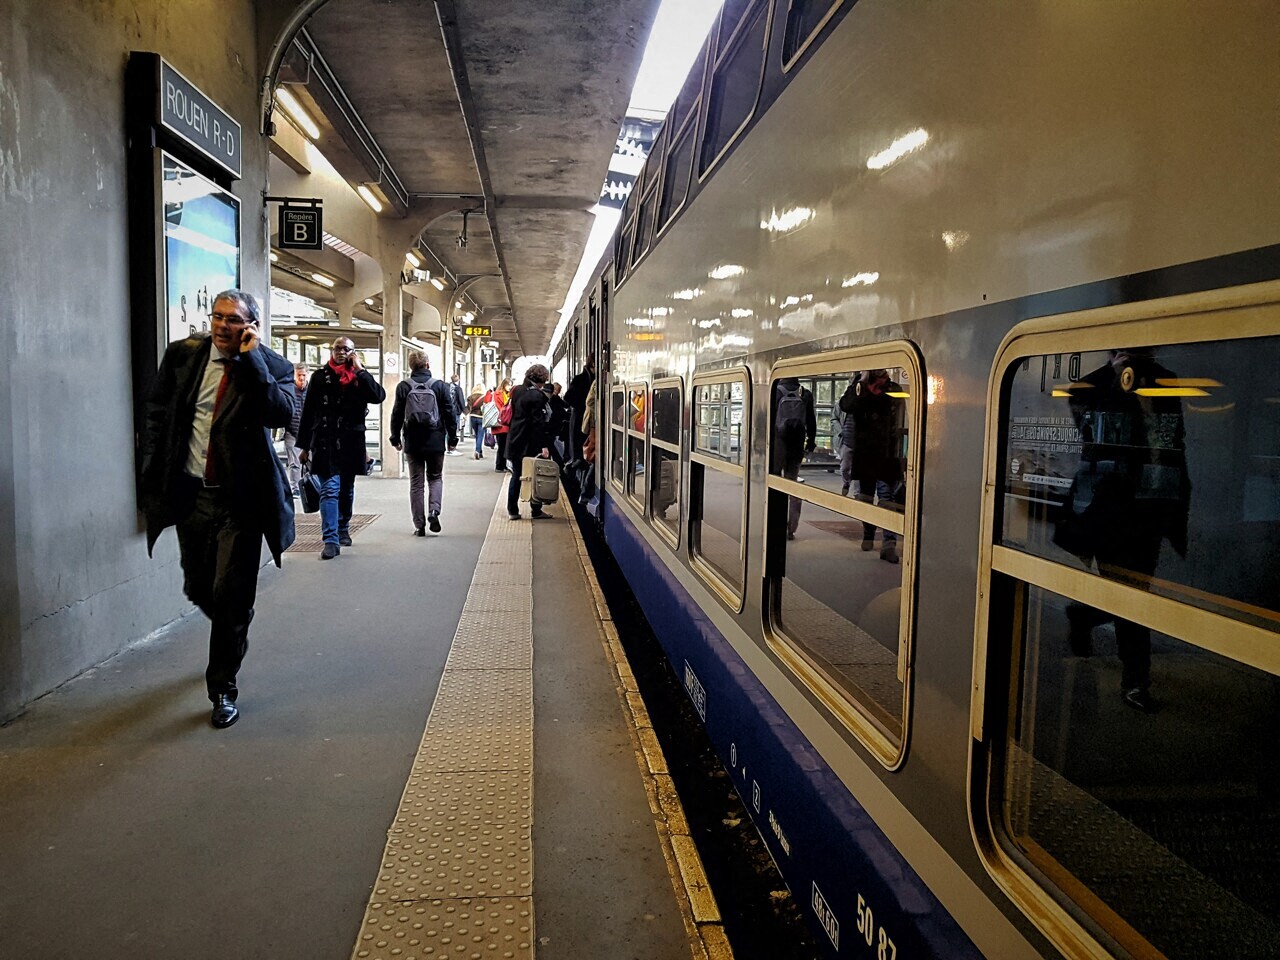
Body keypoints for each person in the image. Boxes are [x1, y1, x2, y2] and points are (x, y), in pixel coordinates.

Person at [139, 289, 295, 729]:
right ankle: (234, 631)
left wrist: (253, 361)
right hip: (192, 494)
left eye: (234, 319)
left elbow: (279, 414)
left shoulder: (272, 366)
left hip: (240, 500)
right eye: (218, 317)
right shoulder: (183, 357)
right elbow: (157, 410)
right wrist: (152, 466)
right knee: (200, 586)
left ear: (251, 326)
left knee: (231, 593)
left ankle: (223, 686)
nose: (223, 326)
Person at [1054, 348, 1191, 713]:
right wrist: (1121, 380)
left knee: (1133, 592)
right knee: (1132, 596)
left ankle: (1086, 616)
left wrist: (1178, 503)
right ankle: (1135, 681)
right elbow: (1095, 440)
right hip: (1109, 510)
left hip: (1151, 505)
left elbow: (1175, 442)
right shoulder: (1089, 386)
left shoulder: (1166, 379)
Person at [296, 336, 386, 559]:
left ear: (353, 353)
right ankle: (330, 539)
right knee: (329, 489)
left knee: (346, 488)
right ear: (331, 350)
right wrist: (304, 446)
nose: (341, 352)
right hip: (325, 441)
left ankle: (343, 527)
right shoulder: (319, 377)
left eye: (347, 349)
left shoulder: (358, 378)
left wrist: (361, 371)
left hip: (351, 441)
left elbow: (378, 396)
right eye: (338, 348)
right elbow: (309, 413)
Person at [390, 351, 457, 536]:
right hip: (435, 440)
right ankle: (434, 511)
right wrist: (452, 438)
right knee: (435, 477)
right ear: (427, 365)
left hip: (412, 440)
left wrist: (395, 438)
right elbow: (450, 414)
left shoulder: (404, 386)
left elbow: (396, 414)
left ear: (411, 367)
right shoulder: (440, 386)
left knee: (416, 483)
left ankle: (419, 525)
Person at [846, 369, 906, 563]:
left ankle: (889, 544)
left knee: (887, 498)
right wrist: (862, 383)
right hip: (866, 455)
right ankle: (868, 534)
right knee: (865, 498)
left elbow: (900, 416)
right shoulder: (859, 388)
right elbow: (846, 405)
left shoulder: (892, 389)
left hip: (888, 455)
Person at [771, 376, 816, 541]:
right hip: (796, 446)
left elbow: (769, 420)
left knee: (775, 484)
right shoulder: (805, 393)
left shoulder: (775, 392)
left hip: (778, 446)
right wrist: (810, 442)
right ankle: (791, 528)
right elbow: (811, 421)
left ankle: (775, 522)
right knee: (792, 484)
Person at [505, 364, 554, 520]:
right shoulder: (537, 396)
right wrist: (544, 446)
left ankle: (512, 510)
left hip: (514, 439)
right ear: (542, 379)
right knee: (535, 474)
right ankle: (536, 510)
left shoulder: (517, 390)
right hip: (529, 442)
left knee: (517, 475)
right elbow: (537, 424)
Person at [283, 364, 309, 495]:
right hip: (292, 431)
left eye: (304, 375)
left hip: (309, 432)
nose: (301, 378)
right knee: (294, 462)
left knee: (309, 462)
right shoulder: (290, 390)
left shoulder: (311, 390)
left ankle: (309, 486)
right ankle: (296, 488)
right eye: (299, 375)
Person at [563, 355, 595, 463]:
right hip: (580, 420)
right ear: (593, 364)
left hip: (588, 421)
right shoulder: (580, 379)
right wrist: (583, 407)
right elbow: (568, 398)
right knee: (581, 453)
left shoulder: (594, 379)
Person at [485, 378, 513, 473]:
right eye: (508, 384)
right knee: (502, 446)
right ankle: (499, 466)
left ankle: (503, 465)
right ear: (504, 384)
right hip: (500, 423)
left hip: (505, 423)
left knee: (504, 446)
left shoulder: (508, 394)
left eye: (511, 385)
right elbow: (502, 408)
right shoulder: (497, 394)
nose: (510, 387)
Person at [545, 381, 569, 467]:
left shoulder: (552, 399)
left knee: (553, 450)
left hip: (552, 429)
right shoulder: (554, 399)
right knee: (554, 451)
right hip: (553, 428)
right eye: (557, 391)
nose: (557, 393)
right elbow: (564, 407)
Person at [446, 374, 468, 456]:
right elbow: (461, 401)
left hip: (446, 411)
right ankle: (452, 448)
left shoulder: (447, 387)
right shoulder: (458, 389)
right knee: (454, 430)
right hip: (455, 412)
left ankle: (447, 447)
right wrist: (464, 411)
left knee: (447, 430)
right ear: (458, 380)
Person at [467, 384, 487, 459]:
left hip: (473, 417)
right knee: (480, 435)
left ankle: (480, 451)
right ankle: (477, 451)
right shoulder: (485, 397)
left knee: (477, 435)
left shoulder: (470, 397)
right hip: (482, 417)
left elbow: (468, 408)